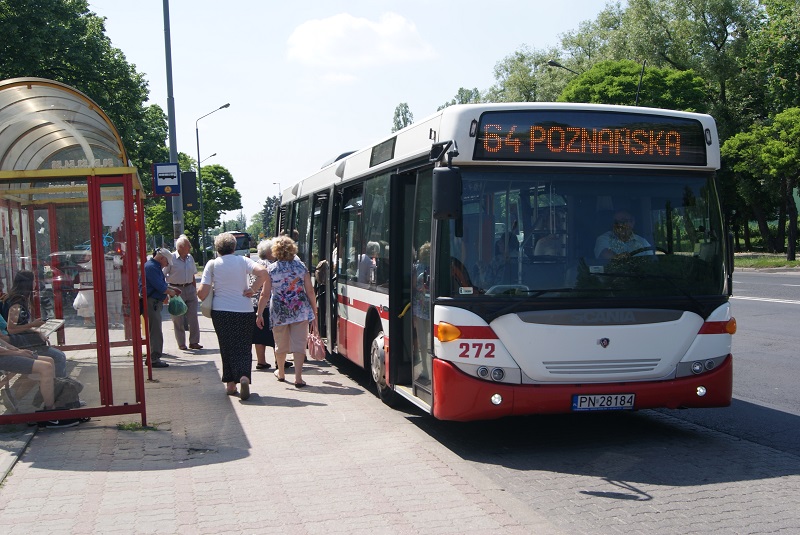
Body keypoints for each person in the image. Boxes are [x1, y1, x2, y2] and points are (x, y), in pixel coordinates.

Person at [198, 233, 268, 400]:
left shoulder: (212, 264)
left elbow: (202, 293)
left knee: (226, 346)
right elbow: (263, 273)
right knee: (243, 346)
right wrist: (252, 289)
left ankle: (230, 384)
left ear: (217, 248)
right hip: (244, 310)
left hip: (221, 311)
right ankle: (243, 376)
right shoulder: (243, 261)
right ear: (234, 247)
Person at [256, 235, 317, 388]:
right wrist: (314, 311)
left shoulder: (271, 269)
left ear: (275, 251)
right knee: (299, 343)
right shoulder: (301, 267)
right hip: (300, 310)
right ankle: (298, 377)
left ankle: (281, 372)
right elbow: (310, 291)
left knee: (280, 343)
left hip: (279, 312)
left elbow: (265, 294)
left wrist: (259, 313)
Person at [1, 270, 67, 378]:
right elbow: (11, 328)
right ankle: (59, 385)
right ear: (28, 283)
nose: (35, 283)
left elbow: (17, 326)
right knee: (59, 356)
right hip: (17, 342)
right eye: (34, 281)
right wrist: (33, 325)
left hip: (17, 340)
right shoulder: (17, 301)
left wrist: (35, 331)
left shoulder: (12, 297)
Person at [164, 235, 202, 351]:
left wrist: (195, 290)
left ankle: (194, 342)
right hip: (176, 290)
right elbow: (163, 275)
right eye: (188, 245)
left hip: (189, 288)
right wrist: (167, 292)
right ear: (180, 247)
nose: (190, 247)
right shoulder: (171, 258)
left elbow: (193, 275)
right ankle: (181, 343)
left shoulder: (190, 258)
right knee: (177, 318)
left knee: (193, 317)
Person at [144, 248, 178, 368]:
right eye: (167, 262)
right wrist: (171, 292)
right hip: (151, 302)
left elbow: (159, 284)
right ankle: (154, 358)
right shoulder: (152, 268)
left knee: (154, 329)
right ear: (162, 258)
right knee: (155, 331)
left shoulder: (152, 266)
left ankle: (153, 356)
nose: (167, 265)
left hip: (153, 301)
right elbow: (160, 287)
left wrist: (170, 289)